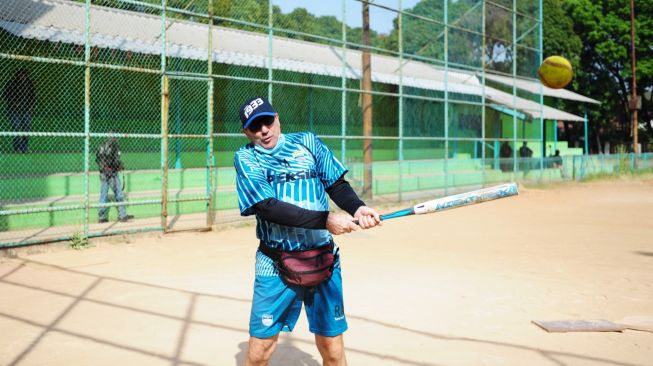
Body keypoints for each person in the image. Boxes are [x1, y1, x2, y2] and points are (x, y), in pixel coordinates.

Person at [234, 96, 381, 366]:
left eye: (267, 121)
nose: (264, 130)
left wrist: (357, 208)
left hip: (323, 260)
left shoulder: (308, 142)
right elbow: (268, 207)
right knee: (259, 353)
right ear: (247, 132)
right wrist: (325, 220)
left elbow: (336, 184)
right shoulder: (246, 158)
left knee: (333, 352)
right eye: (255, 127)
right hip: (275, 264)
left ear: (277, 118)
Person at [96, 136, 133, 223]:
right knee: (119, 194)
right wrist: (119, 166)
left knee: (103, 195)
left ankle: (102, 217)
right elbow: (115, 161)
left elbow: (97, 159)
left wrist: (103, 168)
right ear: (114, 139)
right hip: (112, 173)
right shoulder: (115, 146)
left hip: (103, 173)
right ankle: (122, 215)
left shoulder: (101, 146)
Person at [3, 69, 35, 153]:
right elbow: (6, 95)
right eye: (20, 75)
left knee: (26, 127)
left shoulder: (29, 84)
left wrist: (31, 107)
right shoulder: (12, 83)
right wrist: (14, 103)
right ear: (17, 76)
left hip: (26, 109)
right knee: (16, 127)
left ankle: (24, 148)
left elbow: (32, 97)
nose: (22, 77)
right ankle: (17, 148)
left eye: (24, 75)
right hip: (14, 110)